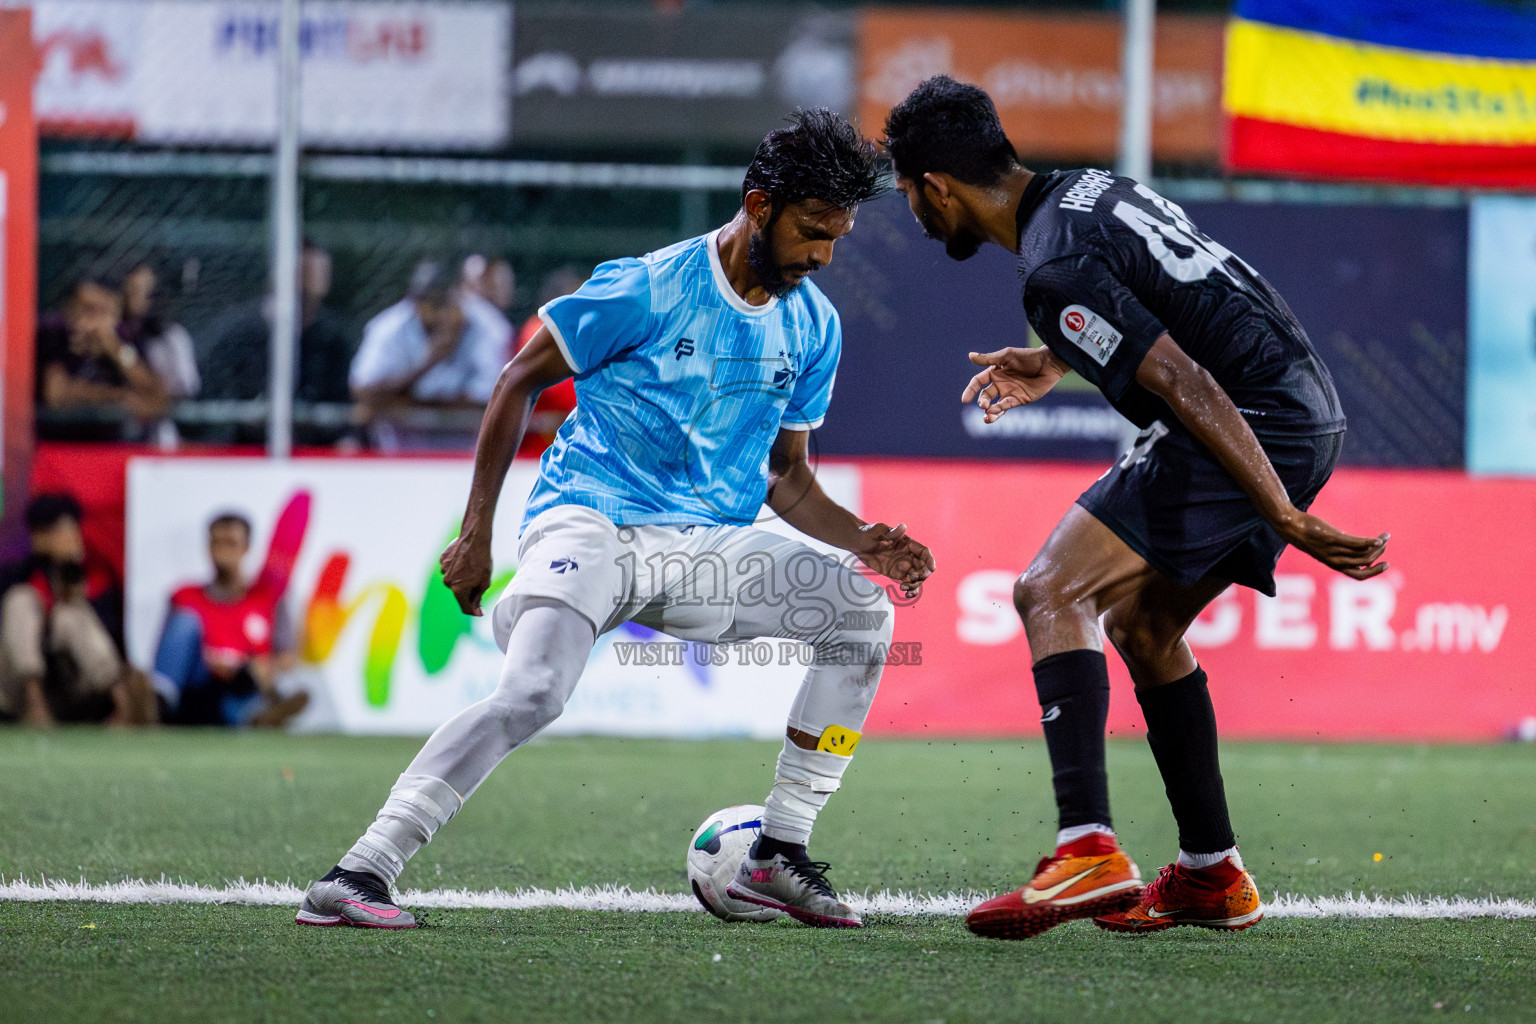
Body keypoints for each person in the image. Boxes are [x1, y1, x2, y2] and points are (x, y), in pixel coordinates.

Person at [296, 109, 933, 931]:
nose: (822, 256)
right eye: (813, 231)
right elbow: (516, 382)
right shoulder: (647, 286)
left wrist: (862, 540)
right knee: (532, 692)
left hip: (704, 547)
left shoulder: (813, 324)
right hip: (591, 519)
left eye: (837, 238)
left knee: (861, 612)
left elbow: (783, 474)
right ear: (760, 203)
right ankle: (359, 872)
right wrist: (475, 533)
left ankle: (779, 851)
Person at [882, 77, 1389, 939]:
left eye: (908, 197)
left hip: (1248, 419)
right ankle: (1211, 874)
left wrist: (1286, 515)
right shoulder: (1090, 189)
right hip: (1302, 408)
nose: (917, 218)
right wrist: (1057, 356)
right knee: (1146, 627)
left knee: (1049, 590)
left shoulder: (1052, 266)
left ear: (938, 186)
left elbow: (1182, 378)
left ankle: (1086, 848)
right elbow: (1175, 302)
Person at [0, 494, 157, 727]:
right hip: (17, 690)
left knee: (71, 614)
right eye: (59, 531)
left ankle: (123, 704)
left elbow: (109, 633)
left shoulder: (95, 576)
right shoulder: (14, 576)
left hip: (77, 687)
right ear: (39, 536)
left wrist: (73, 583)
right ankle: (35, 703)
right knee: (20, 601)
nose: (70, 538)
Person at [152, 513, 309, 728]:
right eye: (217, 542)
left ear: (246, 548)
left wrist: (262, 668)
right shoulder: (185, 596)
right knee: (185, 622)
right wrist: (213, 661)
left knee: (253, 685)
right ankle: (155, 706)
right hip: (198, 682)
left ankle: (259, 717)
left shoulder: (269, 597)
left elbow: (289, 656)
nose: (222, 551)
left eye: (231, 543)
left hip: (241, 685)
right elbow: (165, 654)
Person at [348, 260, 512, 451]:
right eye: (427, 303)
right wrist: (428, 363)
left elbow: (496, 400)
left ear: (459, 297)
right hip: (399, 455)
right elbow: (362, 391)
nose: (436, 314)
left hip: (468, 455)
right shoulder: (389, 327)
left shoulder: (488, 326)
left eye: (443, 303)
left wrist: (404, 401)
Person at [198, 241, 356, 408]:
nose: (306, 285)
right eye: (302, 272)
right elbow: (216, 394)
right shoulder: (238, 334)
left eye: (316, 273)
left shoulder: (333, 338)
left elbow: (344, 399)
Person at [35, 276, 171, 435]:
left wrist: (114, 348)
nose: (97, 322)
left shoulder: (124, 338)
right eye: (88, 310)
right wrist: (113, 396)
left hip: (112, 447)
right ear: (69, 309)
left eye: (105, 313)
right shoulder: (55, 334)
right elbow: (55, 395)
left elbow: (158, 398)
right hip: (59, 443)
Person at [512, 266, 586, 458]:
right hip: (538, 446)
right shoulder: (537, 329)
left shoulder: (572, 334)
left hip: (566, 443)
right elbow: (557, 391)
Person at [119, 260, 201, 401]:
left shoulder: (171, 336)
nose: (136, 298)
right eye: (132, 290)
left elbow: (185, 386)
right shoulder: (115, 330)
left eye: (146, 292)